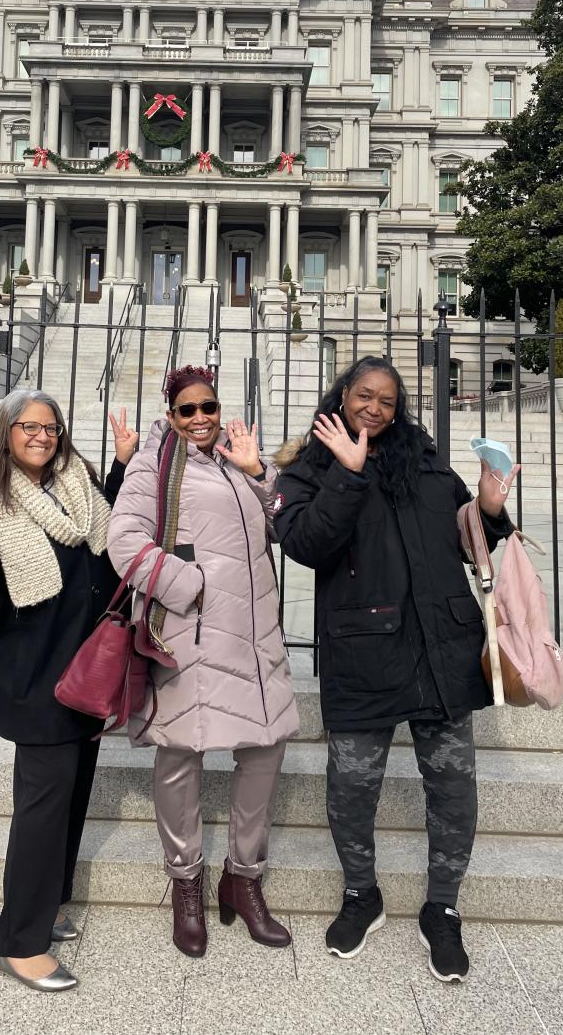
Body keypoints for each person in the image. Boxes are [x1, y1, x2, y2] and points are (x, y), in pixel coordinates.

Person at [274, 356, 518, 984]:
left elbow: (472, 542)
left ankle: (443, 906)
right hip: (362, 650)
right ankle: (362, 894)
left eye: (386, 399)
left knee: (453, 789)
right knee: (352, 788)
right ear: (343, 396)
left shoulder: (428, 459)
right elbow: (303, 544)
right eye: (364, 396)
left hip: (442, 649)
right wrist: (348, 478)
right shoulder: (311, 464)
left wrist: (490, 510)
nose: (374, 408)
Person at [0, 390, 139, 993]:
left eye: (51, 427)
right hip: (36, 676)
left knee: (73, 798)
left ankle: (50, 904)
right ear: (6, 432)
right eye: (30, 426)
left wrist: (123, 466)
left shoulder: (78, 483)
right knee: (43, 808)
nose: (43, 435)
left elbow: (108, 538)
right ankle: (19, 942)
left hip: (88, 669)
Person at [106, 365, 299, 957]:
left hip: (253, 629)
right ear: (170, 416)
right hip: (189, 631)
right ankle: (185, 881)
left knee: (265, 749)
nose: (199, 418)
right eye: (187, 410)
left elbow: (279, 525)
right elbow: (124, 541)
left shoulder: (234, 463)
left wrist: (260, 472)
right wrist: (188, 584)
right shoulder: (153, 464)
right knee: (180, 753)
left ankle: (243, 878)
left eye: (207, 407)